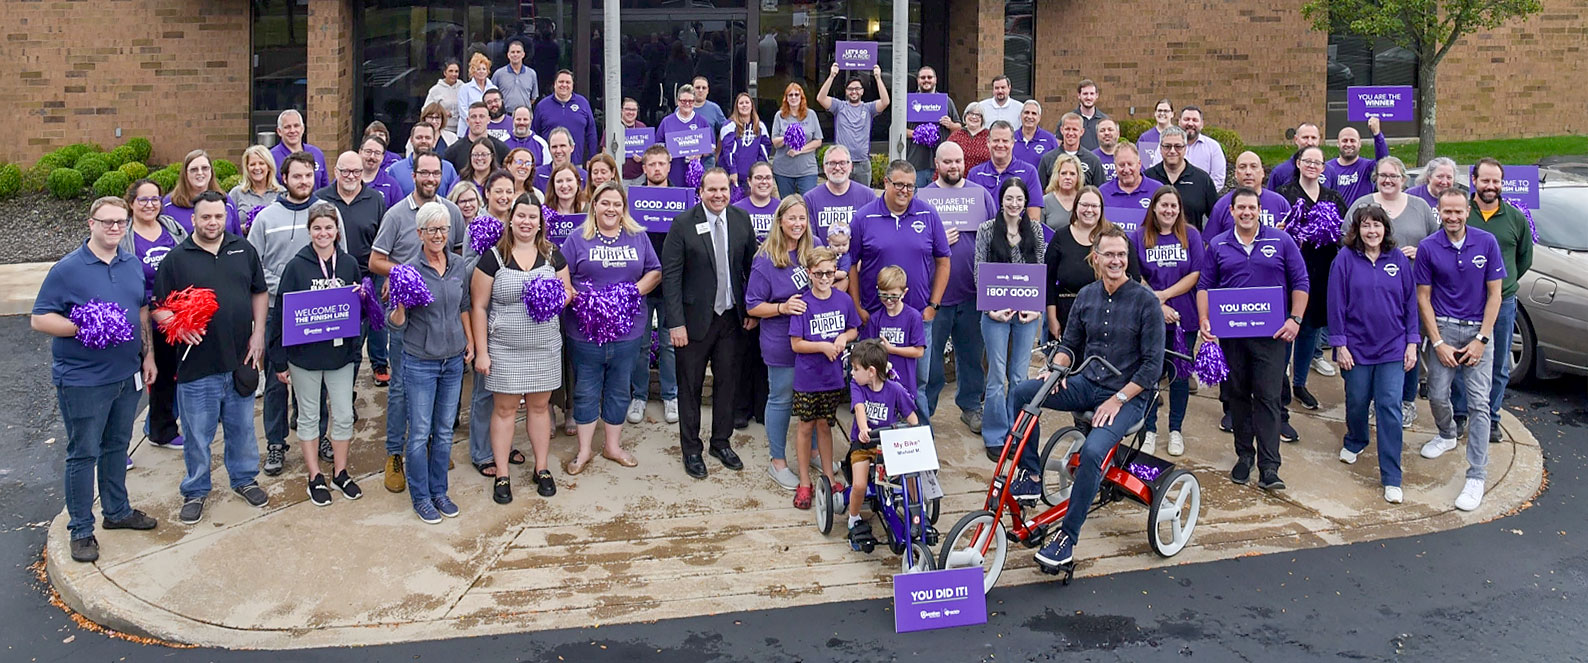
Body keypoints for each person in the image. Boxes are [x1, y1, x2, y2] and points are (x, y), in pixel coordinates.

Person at [1004, 226, 1163, 570]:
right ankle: (1031, 475)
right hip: (1086, 383)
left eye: (1122, 254)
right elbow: (1069, 346)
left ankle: (1068, 538)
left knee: (1092, 451)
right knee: (1023, 392)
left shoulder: (1145, 302)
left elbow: (1153, 368)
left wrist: (1118, 399)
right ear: (1096, 258)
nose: (1116, 261)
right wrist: (1055, 370)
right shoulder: (1086, 296)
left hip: (1128, 395)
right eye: (1109, 254)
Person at [34, 196, 160, 561]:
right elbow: (40, 318)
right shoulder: (68, 269)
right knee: (83, 452)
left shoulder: (131, 263)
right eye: (107, 222)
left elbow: (141, 310)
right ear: (91, 224)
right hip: (83, 380)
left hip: (126, 375)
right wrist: (82, 327)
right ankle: (81, 529)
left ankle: (117, 512)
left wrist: (147, 354)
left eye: (120, 222)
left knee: (117, 448)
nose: (115, 229)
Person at [154, 191, 270, 524]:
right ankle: (195, 490)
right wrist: (176, 323)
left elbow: (259, 292)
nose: (212, 223)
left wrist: (258, 332)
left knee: (243, 429)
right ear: (193, 219)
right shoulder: (177, 259)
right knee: (197, 434)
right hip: (197, 365)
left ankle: (244, 479)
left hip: (240, 359)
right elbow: (158, 307)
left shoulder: (242, 249)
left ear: (226, 217)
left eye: (218, 216)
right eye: (206, 217)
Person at [1196, 187, 1309, 491]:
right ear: (1230, 211)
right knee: (1238, 396)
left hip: (1271, 336)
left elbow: (1300, 281)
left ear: (1260, 210)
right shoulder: (1219, 245)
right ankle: (1244, 456)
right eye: (1240, 208)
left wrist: (1295, 319)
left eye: (1252, 208)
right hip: (1232, 336)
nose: (1246, 213)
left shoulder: (1281, 240)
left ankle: (1270, 467)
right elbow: (1205, 285)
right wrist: (1204, 320)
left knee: (1269, 397)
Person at [370, 150, 468, 493]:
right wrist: (403, 279)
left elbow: (456, 259)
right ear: (413, 175)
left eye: (435, 173)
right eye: (423, 172)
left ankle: (430, 449)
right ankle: (395, 454)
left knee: (441, 395)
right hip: (408, 318)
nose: (429, 178)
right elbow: (375, 260)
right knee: (399, 389)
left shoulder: (451, 212)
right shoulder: (397, 215)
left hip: (443, 320)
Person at [252, 152, 349, 475]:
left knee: (317, 378)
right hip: (277, 306)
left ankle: (319, 433)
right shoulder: (267, 217)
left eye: (308, 176)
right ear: (285, 178)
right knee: (277, 379)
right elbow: (254, 266)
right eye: (297, 176)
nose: (303, 182)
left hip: (320, 312)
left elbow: (342, 259)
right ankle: (276, 444)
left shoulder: (327, 214)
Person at [472, 194, 568, 503]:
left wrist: (553, 296)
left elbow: (567, 293)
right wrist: (482, 352)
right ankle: (502, 473)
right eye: (521, 216)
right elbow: (478, 306)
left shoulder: (554, 254)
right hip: (504, 350)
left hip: (544, 348)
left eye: (532, 217)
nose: (526, 222)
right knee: (505, 410)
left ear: (540, 223)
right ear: (510, 219)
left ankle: (541, 468)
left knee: (540, 408)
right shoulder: (493, 257)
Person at [663, 169, 757, 479]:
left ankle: (721, 442)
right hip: (692, 322)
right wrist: (675, 323)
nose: (719, 195)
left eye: (724, 189)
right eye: (712, 189)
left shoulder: (741, 220)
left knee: (727, 383)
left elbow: (750, 269)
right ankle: (691, 449)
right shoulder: (682, 224)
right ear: (700, 190)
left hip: (731, 317)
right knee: (689, 387)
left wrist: (751, 309)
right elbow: (671, 277)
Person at [1416, 189, 1505, 512]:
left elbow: (1495, 295)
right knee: (1438, 395)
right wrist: (1437, 342)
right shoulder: (1428, 248)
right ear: (1439, 212)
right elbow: (1423, 297)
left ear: (1468, 211)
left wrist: (1482, 339)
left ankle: (1476, 475)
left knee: (1479, 403)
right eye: (1447, 212)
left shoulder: (1486, 243)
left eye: (1458, 212)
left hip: (1477, 329)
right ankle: (1446, 433)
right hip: (1443, 327)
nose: (1453, 217)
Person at [270, 202, 364, 506]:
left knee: (344, 415)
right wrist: (279, 359)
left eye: (329, 227)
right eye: (317, 228)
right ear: (309, 231)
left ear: (337, 231)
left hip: (339, 357)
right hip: (304, 357)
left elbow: (356, 313)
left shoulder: (348, 263)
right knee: (309, 416)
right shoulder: (296, 267)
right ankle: (314, 476)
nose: (323, 233)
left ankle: (340, 472)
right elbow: (281, 312)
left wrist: (363, 301)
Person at [565, 182, 661, 474]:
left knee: (620, 389)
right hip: (584, 332)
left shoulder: (638, 237)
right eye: (604, 203)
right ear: (594, 205)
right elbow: (562, 275)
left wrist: (629, 294)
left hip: (628, 331)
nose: (610, 209)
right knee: (586, 390)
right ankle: (584, 451)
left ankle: (612, 446)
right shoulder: (577, 238)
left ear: (624, 208)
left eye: (616, 204)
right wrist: (583, 301)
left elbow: (654, 272)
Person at [387, 202, 473, 524]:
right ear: (420, 233)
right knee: (420, 432)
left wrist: (471, 343)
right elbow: (395, 324)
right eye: (432, 230)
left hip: (452, 361)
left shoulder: (458, 264)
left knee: (444, 432)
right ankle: (421, 496)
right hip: (420, 361)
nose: (439, 235)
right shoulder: (408, 270)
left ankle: (440, 492)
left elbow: (463, 304)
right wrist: (399, 307)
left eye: (444, 229)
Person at [1329, 205, 1419, 504]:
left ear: (1385, 229)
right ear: (1358, 229)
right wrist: (1339, 344)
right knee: (1356, 400)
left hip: (1392, 347)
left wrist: (1412, 342)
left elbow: (1410, 303)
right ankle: (1356, 439)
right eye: (1366, 225)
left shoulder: (1398, 260)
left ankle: (1392, 476)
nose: (1372, 231)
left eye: (1377, 226)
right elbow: (1336, 303)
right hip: (1356, 347)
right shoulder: (1344, 259)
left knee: (1389, 407)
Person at [1344, 156, 1439, 427]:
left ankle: (1406, 401)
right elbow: (1346, 241)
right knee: (1373, 344)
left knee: (1409, 345)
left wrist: (1419, 252)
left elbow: (1436, 243)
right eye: (1383, 175)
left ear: (1403, 180)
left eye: (1394, 176)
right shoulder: (1362, 205)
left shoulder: (1419, 207)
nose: (1388, 180)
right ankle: (1376, 399)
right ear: (1376, 177)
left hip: (1413, 291)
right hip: (1371, 293)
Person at [746, 194, 819, 490]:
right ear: (779, 221)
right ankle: (777, 461)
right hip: (781, 341)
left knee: (813, 398)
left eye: (802, 218)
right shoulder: (765, 260)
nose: (798, 224)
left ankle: (813, 451)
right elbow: (752, 306)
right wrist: (782, 307)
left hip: (813, 339)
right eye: (792, 218)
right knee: (781, 398)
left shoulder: (812, 251)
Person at [921, 142, 994, 430]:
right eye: (947, 162)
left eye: (958, 161)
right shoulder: (924, 198)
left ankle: (971, 406)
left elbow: (994, 236)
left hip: (972, 293)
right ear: (937, 164)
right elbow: (914, 242)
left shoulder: (980, 195)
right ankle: (924, 412)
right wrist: (936, 242)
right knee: (931, 360)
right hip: (935, 296)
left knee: (971, 356)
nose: (953, 166)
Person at [1462, 158, 1534, 446]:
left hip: (1503, 303)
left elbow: (1524, 259)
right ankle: (1459, 416)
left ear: (1502, 184)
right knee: (1459, 360)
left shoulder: (1515, 218)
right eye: (1485, 180)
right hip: (1465, 302)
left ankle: (1490, 418)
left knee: (1498, 365)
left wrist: (1504, 282)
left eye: (1496, 181)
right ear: (1474, 181)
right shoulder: (1463, 214)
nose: (1490, 186)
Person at [975, 179, 1048, 455]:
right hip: (995, 313)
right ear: (1001, 200)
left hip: (1026, 314)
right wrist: (989, 308)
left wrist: (1036, 309)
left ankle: (1016, 432)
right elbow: (979, 270)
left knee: (1018, 376)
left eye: (1019, 199)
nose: (1014, 204)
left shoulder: (1036, 231)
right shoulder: (986, 230)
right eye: (1009, 198)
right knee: (996, 376)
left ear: (1025, 202)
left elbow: (1040, 269)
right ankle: (995, 434)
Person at [1132, 186, 1204, 457]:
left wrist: (1165, 296)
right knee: (1149, 373)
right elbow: (1135, 275)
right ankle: (1148, 429)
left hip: (1184, 317)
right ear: (1154, 207)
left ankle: (1175, 429)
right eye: (1164, 205)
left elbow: (1196, 273)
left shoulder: (1191, 235)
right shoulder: (1139, 237)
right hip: (1149, 317)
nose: (1169, 210)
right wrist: (1157, 303)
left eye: (1174, 206)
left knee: (1179, 376)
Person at [788, 246, 860, 508]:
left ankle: (829, 476)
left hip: (832, 378)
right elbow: (796, 344)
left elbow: (853, 329)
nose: (825, 278)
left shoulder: (843, 301)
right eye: (819, 273)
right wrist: (823, 346)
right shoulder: (803, 303)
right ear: (809, 273)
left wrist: (843, 337)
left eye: (829, 272)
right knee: (806, 426)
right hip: (808, 378)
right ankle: (805, 480)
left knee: (825, 426)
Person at [1278, 145, 1347, 415]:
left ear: (1323, 168)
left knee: (1309, 330)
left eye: (1318, 162)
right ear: (1297, 163)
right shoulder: (1285, 195)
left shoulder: (1332, 197)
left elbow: (1344, 233)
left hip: (1321, 272)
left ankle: (1300, 383)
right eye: (1308, 161)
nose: (1313, 166)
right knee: (1287, 327)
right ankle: (1280, 382)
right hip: (1290, 273)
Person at [123, 180, 187, 454]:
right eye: (143, 200)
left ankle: (162, 430)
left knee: (166, 376)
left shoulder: (172, 229)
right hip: (139, 316)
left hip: (172, 315)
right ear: (131, 203)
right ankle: (117, 448)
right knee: (131, 385)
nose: (150, 205)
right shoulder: (124, 236)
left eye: (155, 199)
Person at [317, 150, 390, 386]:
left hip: (369, 276)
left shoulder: (375, 200)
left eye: (356, 171)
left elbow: (384, 240)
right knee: (333, 337)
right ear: (335, 172)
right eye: (345, 171)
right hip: (331, 277)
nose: (351, 176)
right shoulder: (321, 199)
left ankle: (348, 393)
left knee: (360, 336)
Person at [844, 338, 920, 544]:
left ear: (870, 371)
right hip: (864, 443)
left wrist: (915, 431)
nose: (852, 372)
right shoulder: (857, 385)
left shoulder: (894, 389)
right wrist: (863, 429)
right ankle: (854, 518)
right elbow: (859, 407)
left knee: (910, 475)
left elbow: (912, 417)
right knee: (859, 485)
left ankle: (916, 509)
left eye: (855, 368)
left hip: (888, 444)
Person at [1044, 187, 1140, 344]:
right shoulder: (1061, 236)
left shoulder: (1115, 236)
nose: (1089, 210)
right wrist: (1052, 318)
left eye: (1095, 206)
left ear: (1102, 209)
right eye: (1084, 205)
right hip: (1066, 313)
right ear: (1076, 207)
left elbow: (1133, 276)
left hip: (1108, 314)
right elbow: (1048, 281)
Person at [628, 145, 680, 425]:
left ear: (669, 166)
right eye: (652, 164)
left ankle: (671, 396)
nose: (657, 169)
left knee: (670, 344)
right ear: (644, 168)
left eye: (662, 164)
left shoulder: (680, 198)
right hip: (642, 283)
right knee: (641, 345)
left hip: (671, 285)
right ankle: (639, 396)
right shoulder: (634, 199)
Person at [861, 265, 927, 415]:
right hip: (881, 385)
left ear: (904, 293)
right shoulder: (876, 318)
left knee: (907, 424)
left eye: (894, 296)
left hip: (905, 383)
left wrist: (891, 350)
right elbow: (866, 349)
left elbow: (919, 351)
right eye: (884, 295)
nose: (889, 300)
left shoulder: (913, 316)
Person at [816, 63, 890, 189]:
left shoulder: (868, 108)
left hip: (862, 163)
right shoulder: (839, 107)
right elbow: (821, 98)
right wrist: (832, 75)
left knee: (863, 200)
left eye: (857, 88)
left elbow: (885, 101)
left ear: (862, 91)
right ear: (846, 91)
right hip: (842, 163)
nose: (854, 91)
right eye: (850, 89)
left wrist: (878, 78)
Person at [1144, 126, 1218, 230]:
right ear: (1160, 149)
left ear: (1185, 148)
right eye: (1167, 146)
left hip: (1191, 244)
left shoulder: (1202, 179)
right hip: (1154, 243)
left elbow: (1216, 218)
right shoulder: (1147, 178)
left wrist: (1207, 242)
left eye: (1178, 146)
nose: (1172, 151)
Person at [966, 121, 1043, 223]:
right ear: (988, 142)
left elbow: (1034, 218)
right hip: (983, 235)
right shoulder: (975, 174)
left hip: (1018, 236)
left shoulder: (1029, 172)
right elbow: (970, 215)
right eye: (996, 140)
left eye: (1005, 141)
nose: (1000, 145)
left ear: (1012, 143)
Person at [1208, 151, 1292, 239]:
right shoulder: (1222, 205)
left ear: (1262, 173)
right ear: (1236, 174)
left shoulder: (1279, 203)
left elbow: (1294, 243)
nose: (1248, 172)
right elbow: (1210, 244)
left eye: (1253, 166)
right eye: (1242, 167)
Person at [803, 145, 878, 242]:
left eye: (842, 163)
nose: (837, 168)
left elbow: (873, 236)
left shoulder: (868, 196)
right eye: (832, 163)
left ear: (851, 167)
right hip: (823, 256)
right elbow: (810, 239)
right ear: (824, 167)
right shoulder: (810, 199)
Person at [163, 149, 243, 235]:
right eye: (194, 170)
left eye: (205, 168)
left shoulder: (226, 201)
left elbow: (237, 236)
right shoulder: (169, 205)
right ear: (185, 173)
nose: (200, 173)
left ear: (211, 171)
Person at [906, 66, 963, 187]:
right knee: (917, 200)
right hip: (916, 162)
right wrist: (917, 134)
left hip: (941, 163)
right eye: (923, 78)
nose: (926, 80)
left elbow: (959, 128)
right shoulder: (909, 101)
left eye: (929, 77)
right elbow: (898, 129)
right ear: (918, 80)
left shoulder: (946, 101)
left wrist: (950, 124)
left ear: (935, 80)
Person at [532, 69, 599, 163]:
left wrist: (592, 157)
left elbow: (591, 133)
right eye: (561, 82)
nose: (564, 85)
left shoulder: (583, 103)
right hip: (549, 164)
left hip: (576, 163)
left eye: (568, 82)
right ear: (554, 84)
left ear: (572, 85)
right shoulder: (542, 106)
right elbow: (535, 136)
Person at [770, 83, 824, 197]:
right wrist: (788, 137)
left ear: (801, 97)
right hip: (784, 170)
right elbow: (775, 142)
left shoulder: (811, 115)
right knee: (787, 204)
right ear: (786, 98)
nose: (793, 98)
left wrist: (800, 150)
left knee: (808, 202)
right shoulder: (779, 116)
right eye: (790, 95)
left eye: (796, 95)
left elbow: (818, 141)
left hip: (807, 169)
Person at [656, 84, 714, 188]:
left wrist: (700, 153)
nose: (687, 104)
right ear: (678, 102)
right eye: (683, 101)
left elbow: (711, 147)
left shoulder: (702, 122)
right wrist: (665, 154)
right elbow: (657, 147)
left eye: (690, 101)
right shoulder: (667, 122)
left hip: (695, 176)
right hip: (673, 175)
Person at [1097, 143, 1163, 232]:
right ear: (1115, 167)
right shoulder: (1103, 192)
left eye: (1130, 164)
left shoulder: (1157, 190)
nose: (1126, 170)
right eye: (1121, 165)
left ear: (1139, 164)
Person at [1325, 118, 1389, 205]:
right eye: (1344, 141)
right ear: (1338, 143)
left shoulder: (1367, 167)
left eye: (1352, 141)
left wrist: (1377, 134)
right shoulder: (1328, 168)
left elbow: (1384, 160)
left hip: (1361, 215)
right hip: (1337, 216)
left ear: (1360, 144)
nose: (1348, 144)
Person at [719, 92, 771, 194]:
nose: (744, 105)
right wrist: (733, 171)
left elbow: (765, 150)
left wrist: (758, 172)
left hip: (752, 177)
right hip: (733, 176)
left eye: (747, 102)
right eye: (741, 103)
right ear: (736, 107)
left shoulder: (760, 126)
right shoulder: (729, 125)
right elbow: (728, 151)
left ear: (752, 106)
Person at [389, 122, 459, 197]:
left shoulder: (448, 169)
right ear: (411, 140)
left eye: (428, 138)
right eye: (419, 137)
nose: (423, 141)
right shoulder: (395, 170)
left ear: (434, 140)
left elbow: (454, 199)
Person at [1037, 113, 1105, 191]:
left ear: (1082, 132)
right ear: (1061, 130)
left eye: (1075, 129)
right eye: (1067, 129)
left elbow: (1100, 191)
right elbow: (1040, 190)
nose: (1071, 133)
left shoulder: (1093, 160)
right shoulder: (1047, 159)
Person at [271, 109, 329, 190]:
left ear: (302, 128)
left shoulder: (317, 153)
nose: (292, 130)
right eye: (287, 127)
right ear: (279, 131)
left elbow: (325, 188)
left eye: (296, 126)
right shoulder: (271, 158)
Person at [446, 103, 510, 177]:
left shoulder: (502, 149)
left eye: (482, 116)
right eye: (473, 117)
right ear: (467, 120)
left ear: (488, 120)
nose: (477, 121)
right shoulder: (453, 151)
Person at [1178, 106, 1226, 190]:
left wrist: (1201, 195)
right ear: (1179, 122)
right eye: (1186, 119)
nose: (1190, 123)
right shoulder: (1167, 145)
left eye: (1195, 120)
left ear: (1202, 124)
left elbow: (1218, 179)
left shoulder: (1213, 147)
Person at [228, 145, 284, 215]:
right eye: (252, 164)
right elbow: (228, 222)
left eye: (261, 163)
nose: (257, 168)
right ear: (247, 168)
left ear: (269, 166)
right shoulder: (236, 193)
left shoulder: (281, 193)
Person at [1265, 122, 1321, 191]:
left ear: (1319, 140)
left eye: (1313, 138)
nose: (1309, 142)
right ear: (1296, 139)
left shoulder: (1329, 171)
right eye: (1305, 137)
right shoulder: (1280, 172)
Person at [358, 135, 404, 210]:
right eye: (368, 151)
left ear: (383, 157)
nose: (372, 157)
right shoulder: (347, 179)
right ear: (360, 152)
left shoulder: (391, 185)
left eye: (377, 153)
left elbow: (400, 214)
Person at [492, 39, 539, 113]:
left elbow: (533, 97)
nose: (515, 54)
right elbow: (492, 95)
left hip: (524, 117)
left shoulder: (531, 74)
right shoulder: (499, 74)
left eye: (518, 52)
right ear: (508, 55)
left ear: (523, 54)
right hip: (505, 115)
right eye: (512, 52)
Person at [1041, 153, 1083, 234]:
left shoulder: (1084, 201)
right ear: (1057, 175)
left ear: (1078, 177)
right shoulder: (1045, 201)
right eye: (1063, 173)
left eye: (1072, 174)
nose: (1068, 177)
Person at [1012, 100, 1059, 169]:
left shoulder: (1050, 139)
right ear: (1021, 115)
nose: (1029, 116)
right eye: (1026, 112)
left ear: (1039, 118)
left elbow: (1056, 166)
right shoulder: (1010, 138)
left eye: (1034, 113)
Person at [422, 59, 464, 136]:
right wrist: (441, 112)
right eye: (451, 71)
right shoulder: (435, 90)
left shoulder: (463, 87)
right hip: (443, 130)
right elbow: (425, 110)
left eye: (456, 71)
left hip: (461, 130)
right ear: (445, 72)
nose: (454, 74)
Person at [457, 53, 498, 130]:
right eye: (478, 69)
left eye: (484, 69)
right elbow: (463, 110)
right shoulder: (464, 88)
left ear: (487, 71)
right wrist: (475, 124)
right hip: (466, 129)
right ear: (473, 71)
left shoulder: (493, 88)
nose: (481, 71)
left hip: (488, 129)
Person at [948, 103, 991, 172]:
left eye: (978, 115)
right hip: (960, 178)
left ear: (982, 119)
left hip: (982, 178)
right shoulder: (956, 135)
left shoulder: (989, 136)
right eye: (970, 113)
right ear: (965, 115)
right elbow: (945, 157)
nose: (974, 117)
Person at [1071, 79, 1108, 151]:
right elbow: (1059, 144)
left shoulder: (1104, 120)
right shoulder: (1069, 120)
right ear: (1079, 95)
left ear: (1096, 95)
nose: (1088, 97)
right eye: (1085, 94)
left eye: (1092, 94)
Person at [619, 97, 648, 183]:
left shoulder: (642, 127)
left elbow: (650, 153)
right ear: (621, 110)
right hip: (620, 176)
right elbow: (605, 152)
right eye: (627, 109)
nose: (631, 112)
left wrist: (643, 158)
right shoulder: (614, 126)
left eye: (634, 110)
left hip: (640, 176)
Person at [1138, 98, 1174, 166]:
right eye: (1159, 110)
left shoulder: (1179, 136)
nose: (1162, 113)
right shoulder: (1145, 138)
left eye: (1166, 111)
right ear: (1155, 113)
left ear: (1172, 114)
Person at [1092, 118, 1120, 183]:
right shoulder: (1091, 158)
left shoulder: (1127, 157)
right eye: (1102, 130)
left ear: (1118, 133)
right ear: (1097, 135)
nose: (1106, 133)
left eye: (1110, 130)